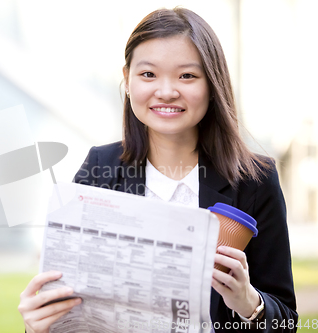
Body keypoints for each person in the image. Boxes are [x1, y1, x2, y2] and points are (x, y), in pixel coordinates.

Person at [18, 7, 297, 333]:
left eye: (187, 76)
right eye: (148, 74)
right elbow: (65, 299)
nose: (166, 91)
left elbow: (286, 321)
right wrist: (38, 324)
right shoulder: (100, 168)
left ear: (212, 83)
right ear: (127, 79)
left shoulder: (255, 180)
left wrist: (250, 304)